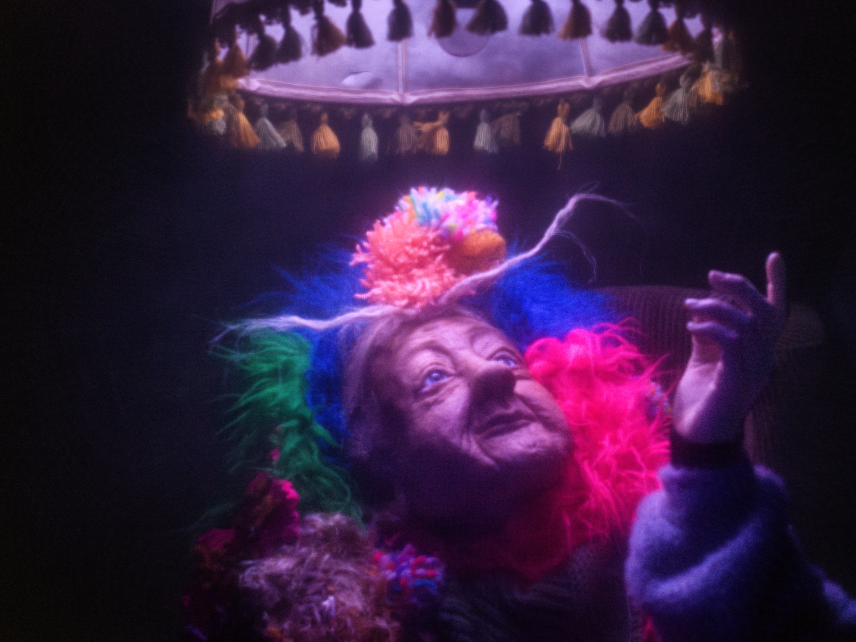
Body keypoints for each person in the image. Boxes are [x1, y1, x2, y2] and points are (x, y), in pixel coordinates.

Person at [186, 188, 855, 641]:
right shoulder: (364, 611)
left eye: (504, 355)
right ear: (380, 464)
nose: (494, 375)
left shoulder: (663, 517)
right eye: (433, 379)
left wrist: (704, 453)